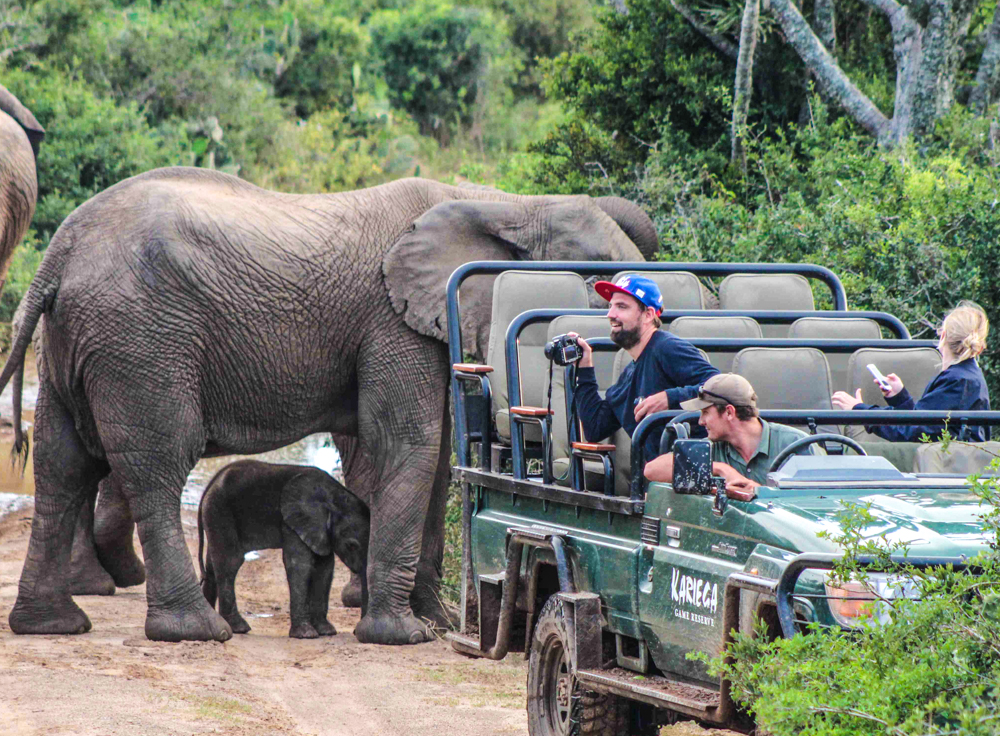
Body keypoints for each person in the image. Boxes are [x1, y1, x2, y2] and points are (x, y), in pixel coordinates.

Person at [573, 275, 719, 463]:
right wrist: (584, 367)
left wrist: (669, 398)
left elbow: (718, 386)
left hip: (694, 472)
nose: (610, 314)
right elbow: (595, 428)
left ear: (649, 315)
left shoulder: (666, 347)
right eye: (611, 306)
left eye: (622, 307)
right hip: (655, 481)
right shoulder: (628, 376)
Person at [832, 301, 991, 442]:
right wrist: (900, 399)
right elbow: (924, 422)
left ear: (943, 335)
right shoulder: (968, 377)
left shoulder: (957, 381)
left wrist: (860, 410)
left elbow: (915, 431)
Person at [643, 374, 812, 499]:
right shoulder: (712, 447)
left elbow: (823, 503)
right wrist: (719, 468)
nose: (701, 421)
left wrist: (762, 492)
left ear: (729, 412)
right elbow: (651, 470)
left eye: (705, 412)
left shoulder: (795, 444)